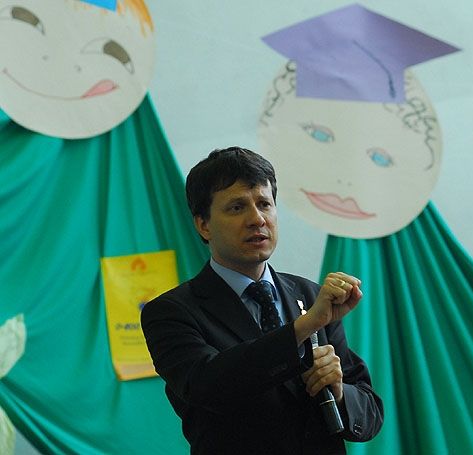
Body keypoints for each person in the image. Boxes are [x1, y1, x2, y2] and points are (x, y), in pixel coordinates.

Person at [141, 146, 383, 454]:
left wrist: (339, 391)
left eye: (264, 204)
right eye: (237, 207)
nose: (257, 219)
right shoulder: (171, 312)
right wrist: (303, 328)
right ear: (203, 225)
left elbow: (369, 415)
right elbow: (208, 386)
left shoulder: (309, 295)